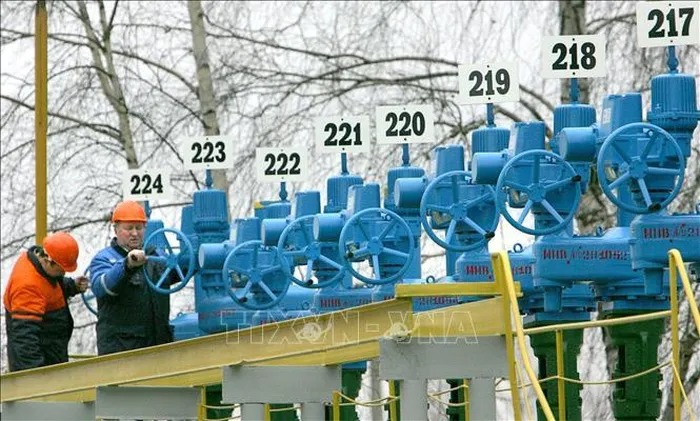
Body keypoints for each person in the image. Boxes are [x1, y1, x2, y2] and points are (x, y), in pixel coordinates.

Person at [89, 200, 177, 355]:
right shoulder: (104, 259)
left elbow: (180, 270)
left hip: (158, 349)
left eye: (139, 228)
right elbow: (102, 288)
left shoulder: (156, 256)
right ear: (116, 229)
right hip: (121, 352)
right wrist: (127, 265)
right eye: (129, 228)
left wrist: (197, 258)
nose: (135, 233)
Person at [3, 232, 89, 371]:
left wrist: (71, 286)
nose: (64, 273)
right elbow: (25, 340)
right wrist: (37, 375)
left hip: (52, 354)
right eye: (61, 270)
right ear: (48, 260)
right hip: (39, 364)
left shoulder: (38, 265)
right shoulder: (27, 287)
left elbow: (49, 287)